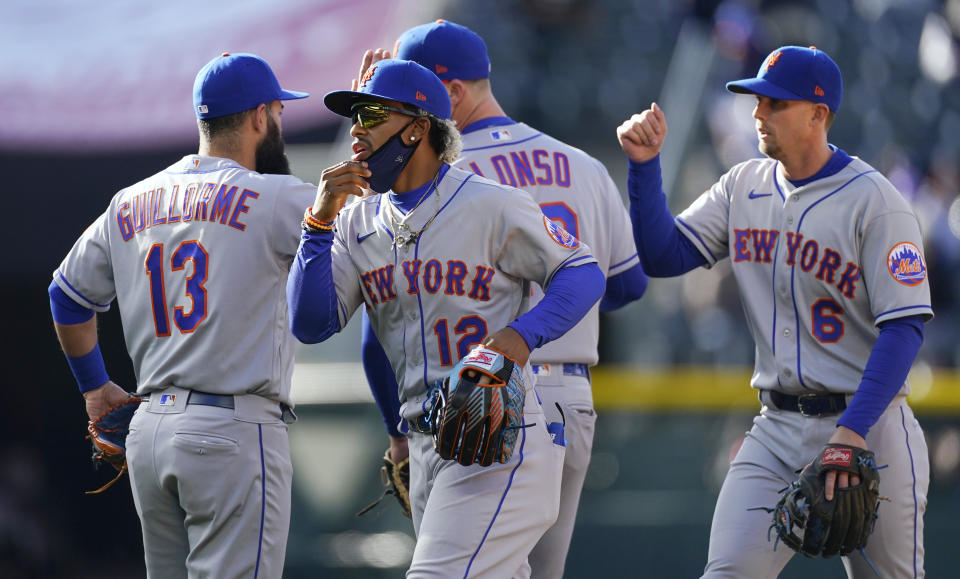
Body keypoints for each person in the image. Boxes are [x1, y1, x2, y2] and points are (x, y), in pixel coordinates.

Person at [617, 45, 931, 577]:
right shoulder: (743, 185)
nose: (758, 113)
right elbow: (663, 256)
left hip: (870, 427)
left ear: (818, 113)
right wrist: (644, 170)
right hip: (777, 426)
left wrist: (851, 434)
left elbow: (904, 329)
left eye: (775, 104)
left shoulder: (875, 202)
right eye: (758, 101)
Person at [286, 58, 606, 577]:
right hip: (426, 441)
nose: (357, 131)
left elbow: (583, 272)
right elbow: (311, 323)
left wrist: (520, 338)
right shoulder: (355, 221)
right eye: (354, 116)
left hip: (499, 436)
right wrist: (318, 224)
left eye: (371, 115)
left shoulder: (490, 203)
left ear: (417, 128)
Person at [354, 20, 648, 577]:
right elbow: (625, 286)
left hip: (476, 395)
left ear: (451, 94)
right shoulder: (582, 164)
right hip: (571, 396)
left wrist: (396, 433)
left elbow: (382, 325)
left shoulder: (437, 176)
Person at [49, 52, 316, 578]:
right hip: (232, 429)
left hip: (151, 433)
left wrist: (95, 387)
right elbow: (375, 233)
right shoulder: (276, 195)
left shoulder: (130, 200)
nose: (279, 123)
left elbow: (66, 297)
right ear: (260, 116)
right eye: (279, 113)